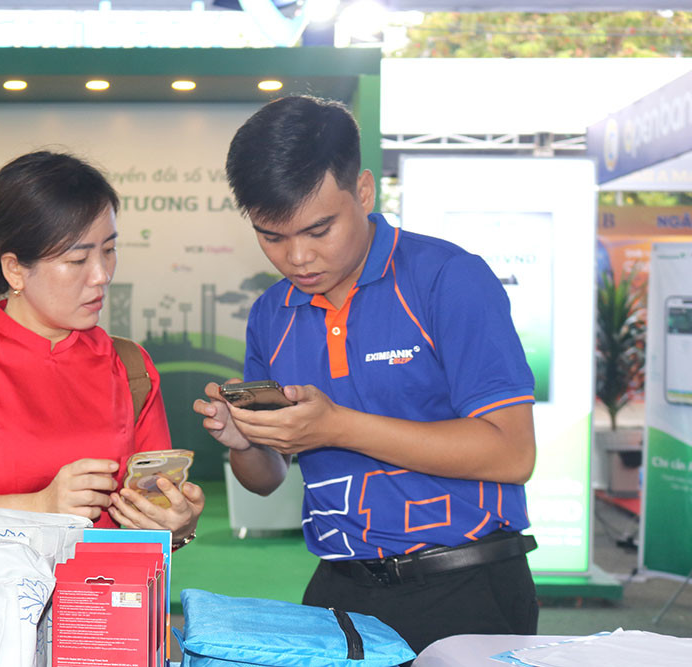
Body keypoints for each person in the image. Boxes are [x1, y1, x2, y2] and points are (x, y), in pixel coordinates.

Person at [193, 96, 539, 653]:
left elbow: (512, 454)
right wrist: (245, 442)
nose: (297, 257)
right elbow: (267, 478)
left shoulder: (448, 279)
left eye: (318, 229)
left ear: (364, 192)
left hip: (467, 586)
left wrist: (336, 427)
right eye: (271, 236)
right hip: (340, 591)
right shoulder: (271, 313)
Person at [0, 151, 203, 547]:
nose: (101, 275)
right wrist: (37, 506)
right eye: (77, 258)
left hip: (104, 603)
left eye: (109, 250)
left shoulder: (131, 367)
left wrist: (176, 525)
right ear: (14, 269)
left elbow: (150, 523)